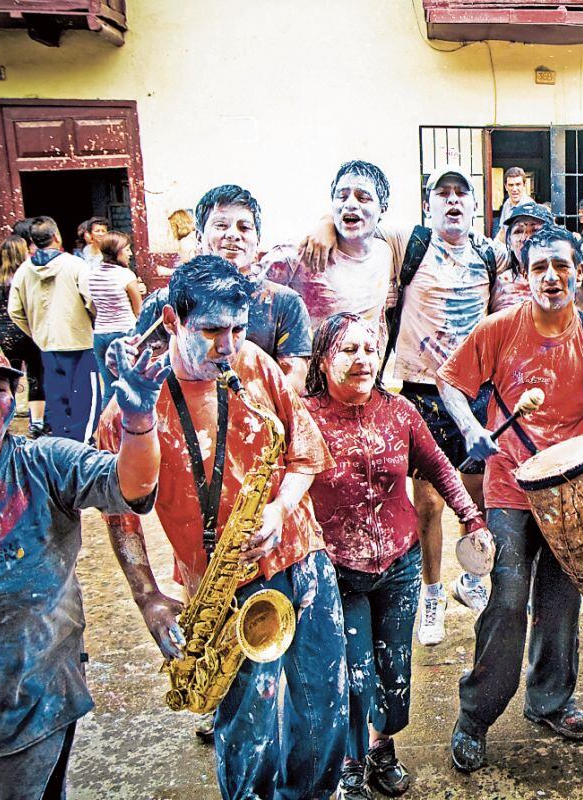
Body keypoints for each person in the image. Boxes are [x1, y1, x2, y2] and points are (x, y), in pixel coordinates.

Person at [99, 255, 347, 800]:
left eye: (237, 329)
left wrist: (279, 508)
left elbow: (305, 455)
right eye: (211, 331)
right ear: (170, 321)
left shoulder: (253, 364)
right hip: (222, 583)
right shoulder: (130, 409)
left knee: (326, 703)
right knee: (248, 724)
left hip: (300, 556)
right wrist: (148, 599)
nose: (229, 346)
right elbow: (120, 516)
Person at [438, 225, 583, 772]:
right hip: (511, 486)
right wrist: (468, 428)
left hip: (575, 495)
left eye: (561, 266)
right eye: (539, 268)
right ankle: (475, 715)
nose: (551, 277)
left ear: (579, 271)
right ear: (524, 274)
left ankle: (550, 701)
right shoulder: (499, 328)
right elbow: (451, 382)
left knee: (560, 603)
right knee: (509, 601)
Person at [296, 164, 510, 642]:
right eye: (442, 194)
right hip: (421, 392)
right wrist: (322, 223)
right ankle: (431, 598)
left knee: (473, 497)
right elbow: (356, 223)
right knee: (429, 504)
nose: (452, 201)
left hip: (473, 395)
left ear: (476, 206)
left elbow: (500, 315)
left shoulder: (489, 254)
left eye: (462, 193)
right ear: (428, 205)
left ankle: (471, 580)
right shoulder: (406, 244)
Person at [0, 335, 167, 799]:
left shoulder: (44, 462)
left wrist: (138, 421)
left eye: (0, 386)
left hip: (37, 698)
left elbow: (129, 485)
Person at [302, 313, 487, 799]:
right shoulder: (303, 417)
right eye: (347, 350)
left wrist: (472, 517)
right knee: (354, 675)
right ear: (323, 358)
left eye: (369, 348)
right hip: (337, 571)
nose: (361, 359)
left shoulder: (400, 412)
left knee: (395, 675)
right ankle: (350, 762)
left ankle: (383, 750)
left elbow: (440, 469)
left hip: (399, 567)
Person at [139, 185, 313, 393]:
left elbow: (295, 381)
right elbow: (142, 374)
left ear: (258, 241)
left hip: (259, 418)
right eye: (221, 225)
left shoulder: (285, 303)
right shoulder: (165, 302)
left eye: (244, 227)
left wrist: (240, 407)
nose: (233, 235)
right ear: (198, 236)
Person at [264, 160, 401, 336]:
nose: (350, 204)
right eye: (342, 197)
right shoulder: (298, 253)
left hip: (367, 362)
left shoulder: (385, 252)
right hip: (309, 362)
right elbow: (248, 301)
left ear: (383, 208)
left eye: (363, 197)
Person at [7, 216, 100, 444]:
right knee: (85, 400)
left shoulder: (24, 270)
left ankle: (60, 446)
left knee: (56, 400)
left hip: (47, 344)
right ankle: (81, 446)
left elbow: (14, 310)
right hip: (80, 342)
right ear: (56, 236)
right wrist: (90, 323)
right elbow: (92, 301)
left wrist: (35, 332)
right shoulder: (76, 265)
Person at [0, 235, 45, 438]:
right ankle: (36, 423)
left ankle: (5, 419)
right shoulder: (29, 276)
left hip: (4, 333)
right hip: (29, 330)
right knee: (36, 375)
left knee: (7, 379)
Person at [83, 231, 142, 409]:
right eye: (127, 249)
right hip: (124, 333)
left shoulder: (92, 275)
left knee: (109, 388)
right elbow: (139, 311)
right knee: (130, 386)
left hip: (100, 335)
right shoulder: (126, 276)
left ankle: (105, 431)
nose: (130, 253)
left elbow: (92, 306)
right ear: (117, 252)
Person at [493, 166, 532, 240]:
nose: (514, 189)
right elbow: (503, 232)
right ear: (506, 187)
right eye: (511, 185)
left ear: (524, 185)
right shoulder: (507, 204)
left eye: (518, 184)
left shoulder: (530, 207)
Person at [163, 208, 197, 276]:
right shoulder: (191, 238)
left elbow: (193, 271)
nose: (168, 231)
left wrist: (167, 271)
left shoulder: (186, 243)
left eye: (170, 226)